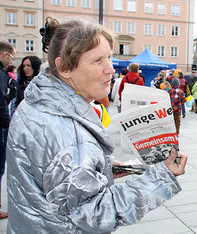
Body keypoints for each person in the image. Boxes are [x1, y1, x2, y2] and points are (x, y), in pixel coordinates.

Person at [7, 18, 187, 233]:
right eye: (98, 61)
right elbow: (93, 214)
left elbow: (54, 176)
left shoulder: (37, 102)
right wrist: (160, 177)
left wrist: (103, 168)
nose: (110, 69)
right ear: (64, 67)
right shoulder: (66, 131)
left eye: (109, 58)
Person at [0, 41, 15, 219]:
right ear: (5, 55)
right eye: (12, 56)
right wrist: (9, 125)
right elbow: (1, 105)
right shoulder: (1, 75)